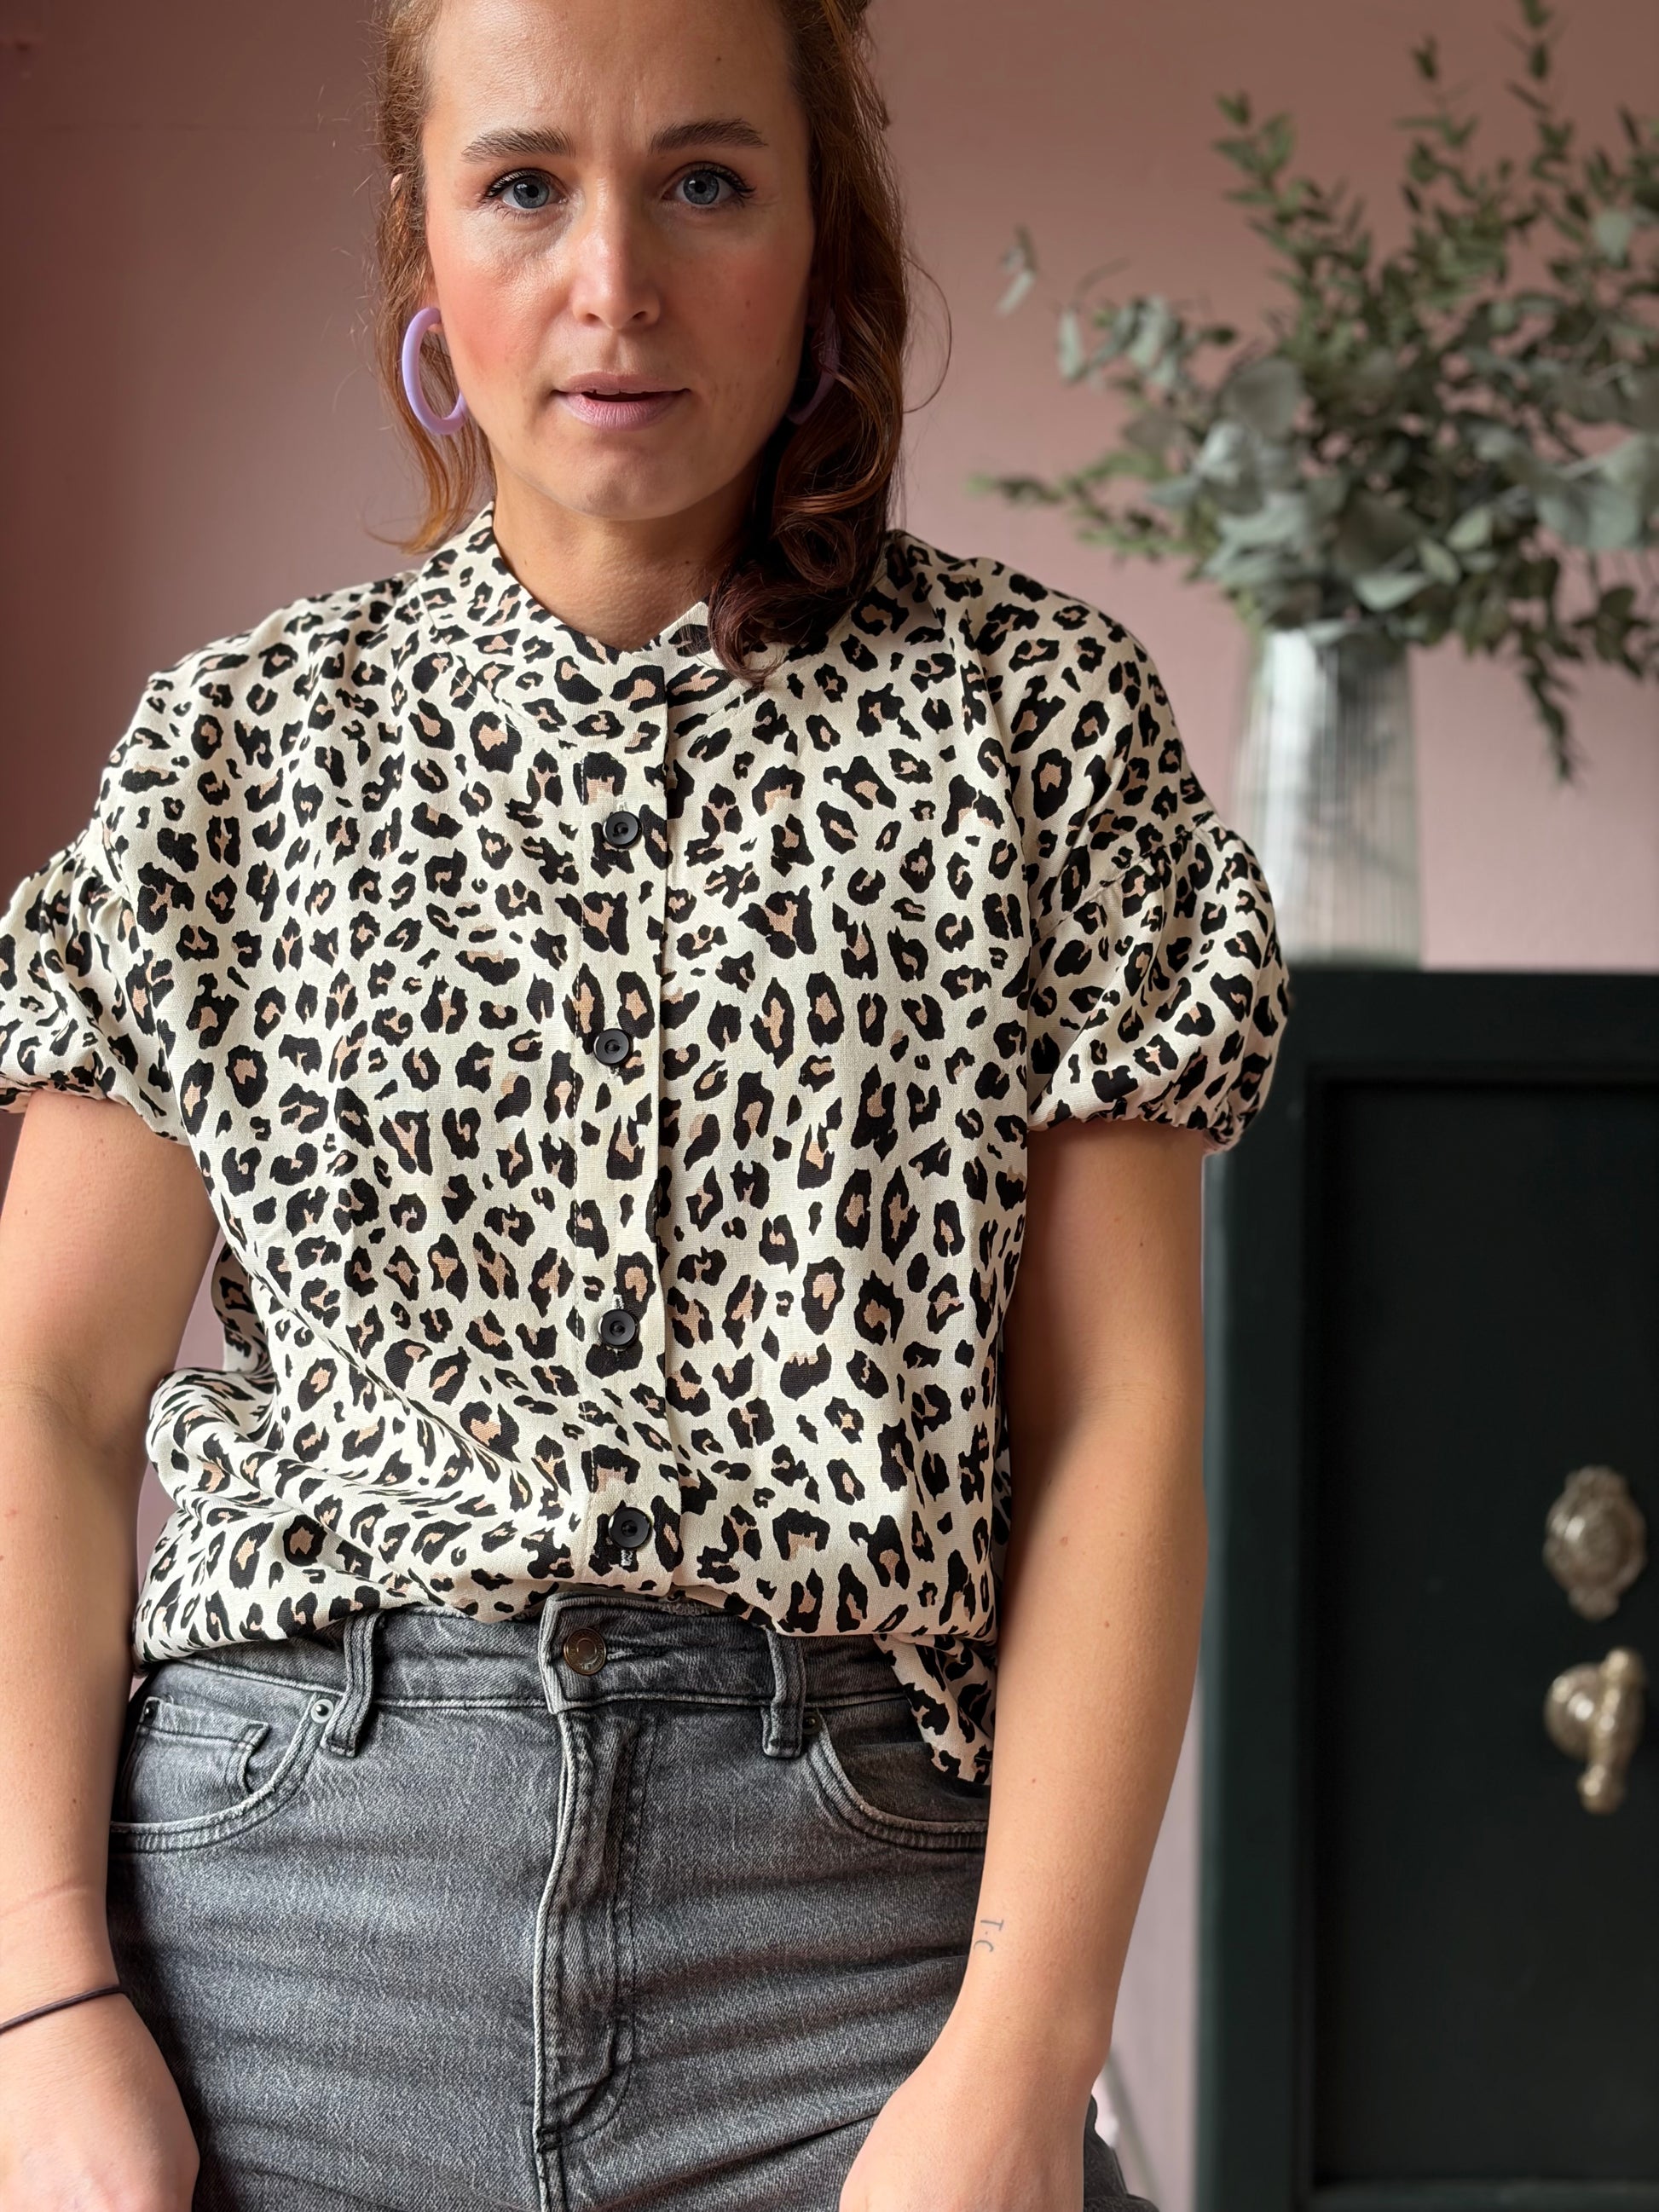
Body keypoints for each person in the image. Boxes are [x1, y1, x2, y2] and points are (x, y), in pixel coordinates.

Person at [0, 0, 1290, 2204]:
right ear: (420, 239)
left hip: (849, 1947)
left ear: (821, 234)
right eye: (524, 186)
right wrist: (40, 2007)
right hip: (276, 1926)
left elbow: (1117, 1414)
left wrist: (1024, 2051)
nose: (614, 282)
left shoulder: (1040, 725)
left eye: (704, 181)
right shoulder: (237, 752)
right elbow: (42, 1384)